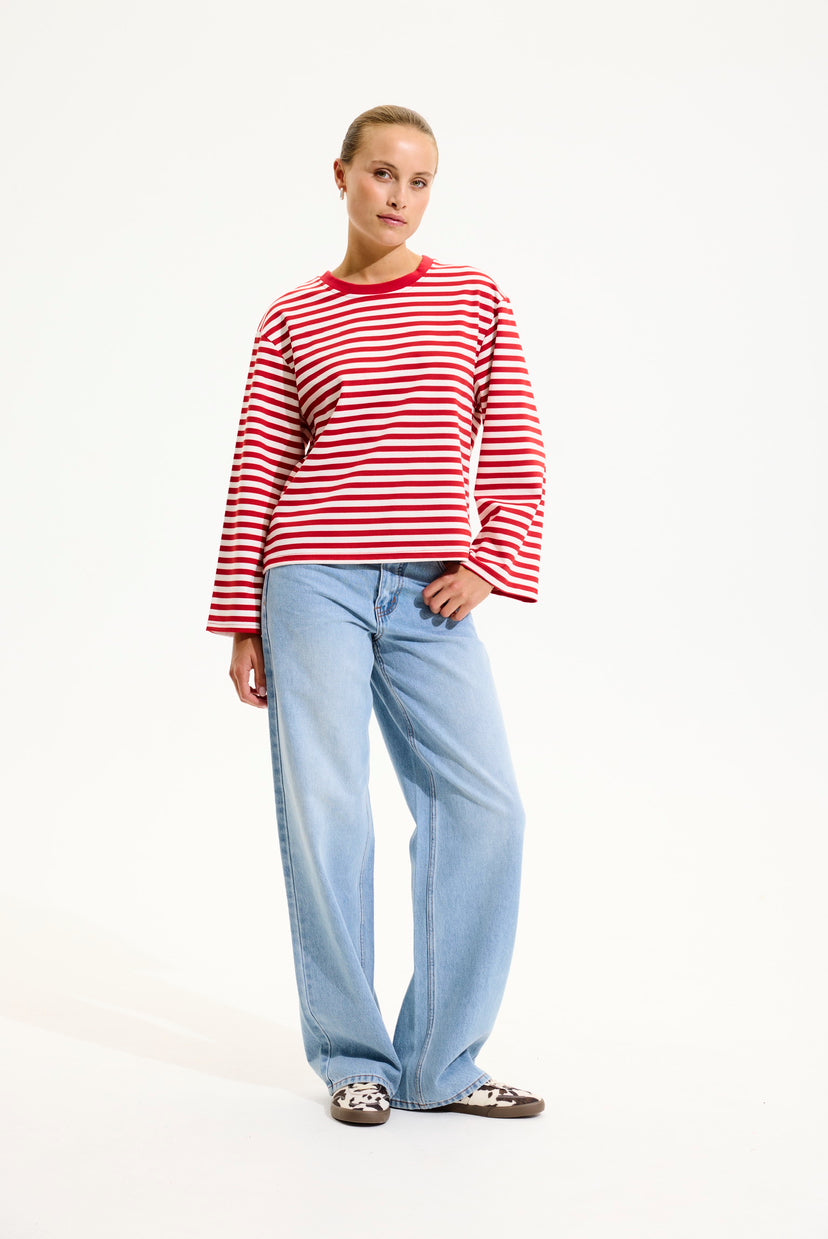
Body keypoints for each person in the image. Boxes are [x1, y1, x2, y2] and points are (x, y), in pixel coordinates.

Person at [206, 104, 547, 1126]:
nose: (401, 196)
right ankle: (355, 1057)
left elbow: (517, 440)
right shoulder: (291, 317)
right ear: (343, 175)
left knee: (486, 808)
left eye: (421, 180)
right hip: (311, 576)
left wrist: (492, 561)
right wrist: (243, 617)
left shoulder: (473, 298)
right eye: (383, 174)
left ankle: (442, 1062)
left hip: (433, 586)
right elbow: (260, 466)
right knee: (330, 812)